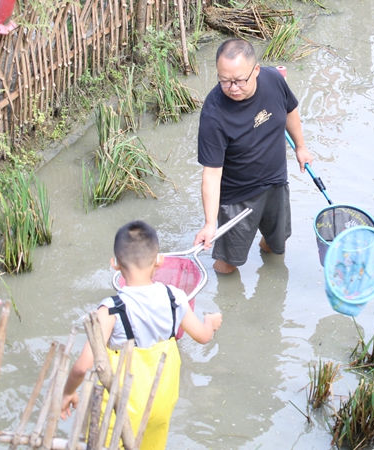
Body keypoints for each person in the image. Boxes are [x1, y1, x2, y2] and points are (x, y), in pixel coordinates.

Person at [61, 220, 222, 449]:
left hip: (119, 407)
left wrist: (67, 392)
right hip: (160, 401)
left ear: (115, 264)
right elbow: (203, 336)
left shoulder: (110, 309)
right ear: (159, 261)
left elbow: (82, 366)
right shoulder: (175, 297)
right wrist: (210, 322)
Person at [194, 38, 313, 274]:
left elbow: (290, 109)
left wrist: (301, 147)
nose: (233, 88)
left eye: (239, 80)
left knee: (275, 246)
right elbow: (211, 173)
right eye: (225, 81)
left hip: (275, 182)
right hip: (238, 194)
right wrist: (209, 224)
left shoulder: (274, 80)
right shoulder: (213, 113)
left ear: (256, 70)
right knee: (228, 264)